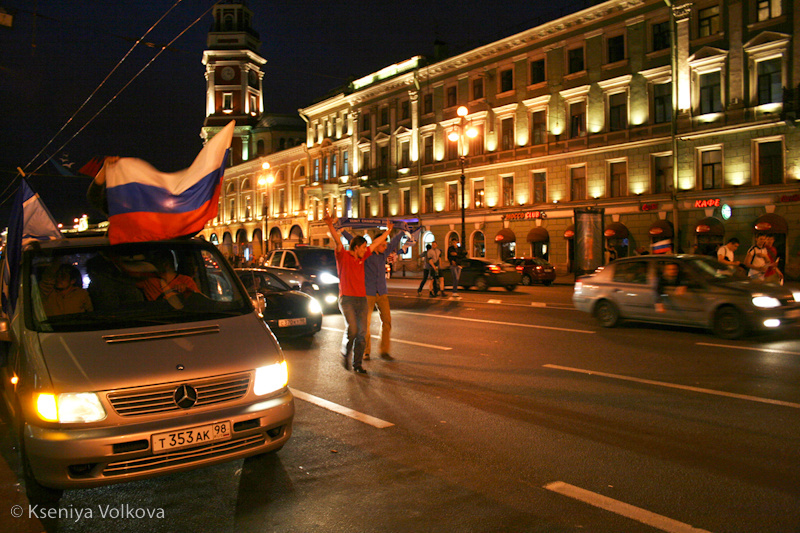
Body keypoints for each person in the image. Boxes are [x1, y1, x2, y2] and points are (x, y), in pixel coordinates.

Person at [325, 215, 393, 375]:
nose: (365, 249)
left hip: (361, 298)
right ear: (356, 247)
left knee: (362, 333)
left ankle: (357, 364)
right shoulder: (343, 256)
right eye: (363, 247)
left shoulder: (363, 257)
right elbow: (337, 240)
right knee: (353, 330)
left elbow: (375, 244)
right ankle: (345, 351)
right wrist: (330, 225)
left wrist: (387, 231)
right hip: (347, 299)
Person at [342, 226, 404, 361]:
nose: (385, 247)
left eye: (385, 245)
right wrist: (343, 231)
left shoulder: (384, 254)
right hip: (368, 293)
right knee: (366, 324)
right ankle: (366, 352)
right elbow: (353, 241)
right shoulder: (366, 255)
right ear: (376, 245)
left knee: (387, 321)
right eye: (382, 244)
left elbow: (393, 242)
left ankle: (384, 351)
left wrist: (402, 232)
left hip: (382, 292)